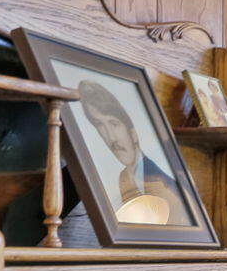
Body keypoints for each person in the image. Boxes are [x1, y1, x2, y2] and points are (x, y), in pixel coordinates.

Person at [75, 78, 189, 225]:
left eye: (114, 124)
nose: (110, 137)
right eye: (100, 125)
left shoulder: (165, 185)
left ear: (133, 132)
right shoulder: (124, 177)